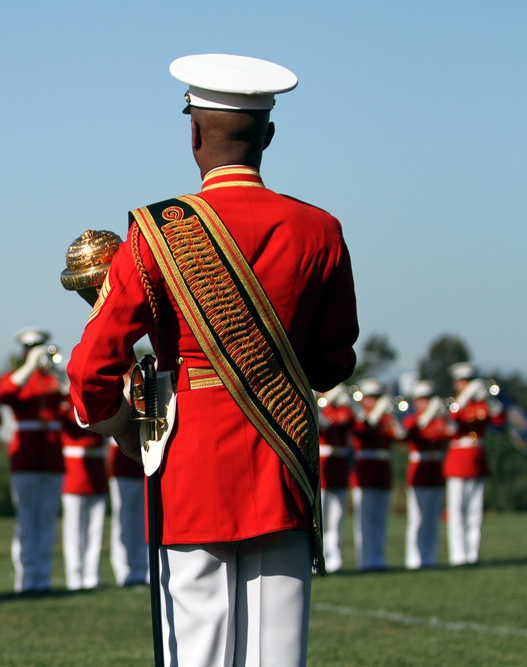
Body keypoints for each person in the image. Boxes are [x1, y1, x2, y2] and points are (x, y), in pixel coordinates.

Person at [67, 54, 358, 666]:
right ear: (268, 136)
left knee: (195, 649)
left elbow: (90, 369)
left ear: (194, 134)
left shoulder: (157, 231)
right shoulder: (320, 230)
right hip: (282, 459)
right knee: (277, 654)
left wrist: (123, 427)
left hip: (191, 462)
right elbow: (332, 364)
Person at [0, 327, 66, 594]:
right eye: (31, 348)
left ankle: (43, 578)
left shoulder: (52, 380)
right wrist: (29, 365)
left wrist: (59, 376)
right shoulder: (16, 378)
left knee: (47, 521)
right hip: (26, 458)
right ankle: (26, 579)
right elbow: (4, 395)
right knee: (26, 521)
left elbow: (75, 399)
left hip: (51, 458)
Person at [443, 361, 504, 565]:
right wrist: (466, 396)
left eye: (470, 381)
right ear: (456, 384)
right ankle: (458, 555)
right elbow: (451, 420)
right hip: (458, 459)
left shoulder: (481, 404)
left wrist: (488, 398)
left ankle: (472, 553)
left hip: (477, 459)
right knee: (456, 510)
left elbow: (499, 420)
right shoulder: (455, 403)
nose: (468, 385)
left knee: (475, 511)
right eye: (464, 382)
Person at [351, 378, 403, 571]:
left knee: (381, 519)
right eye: (370, 397)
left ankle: (378, 559)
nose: (374, 401)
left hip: (383, 472)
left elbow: (399, 435)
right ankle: (365, 560)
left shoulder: (386, 419)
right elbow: (363, 428)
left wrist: (393, 417)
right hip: (365, 472)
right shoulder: (360, 416)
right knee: (365, 521)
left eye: (377, 397)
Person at [402, 380, 452, 569]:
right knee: (417, 519)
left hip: (436, 471)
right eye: (422, 400)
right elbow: (408, 432)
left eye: (428, 399)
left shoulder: (440, 421)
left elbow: (452, 433)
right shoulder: (412, 420)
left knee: (433, 518)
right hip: (419, 471)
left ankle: (430, 558)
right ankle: (414, 559)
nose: (426, 403)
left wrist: (444, 416)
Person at [60, 397, 109, 591]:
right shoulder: (65, 402)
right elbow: (71, 420)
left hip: (96, 470)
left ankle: (91, 576)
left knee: (95, 530)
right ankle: (75, 577)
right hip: (75, 472)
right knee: (74, 531)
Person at [317, 384, 358, 573]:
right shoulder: (320, 405)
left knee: (337, 516)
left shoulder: (344, 410)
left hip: (340, 465)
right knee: (321, 514)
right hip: (324, 464)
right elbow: (322, 423)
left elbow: (351, 420)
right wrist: (327, 400)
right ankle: (319, 557)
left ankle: (334, 558)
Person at [107, 435, 148, 587]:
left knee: (145, 520)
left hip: (146, 459)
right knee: (125, 521)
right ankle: (125, 570)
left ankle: (143, 568)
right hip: (125, 460)